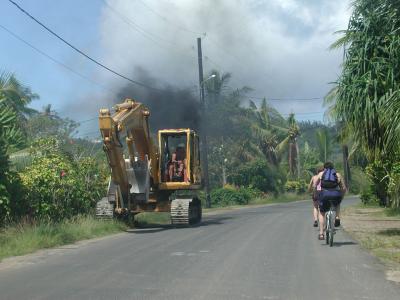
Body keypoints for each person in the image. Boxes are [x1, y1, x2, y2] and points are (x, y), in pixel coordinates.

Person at [316, 162, 347, 240]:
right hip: (336, 195)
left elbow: (315, 185)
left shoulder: (321, 174)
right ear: (333, 168)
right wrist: (341, 197)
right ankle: (337, 217)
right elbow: (343, 188)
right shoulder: (337, 175)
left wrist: (317, 194)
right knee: (337, 203)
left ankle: (321, 234)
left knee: (322, 213)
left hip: (324, 195)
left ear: (324, 168)